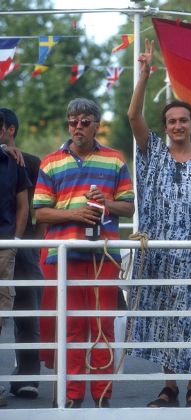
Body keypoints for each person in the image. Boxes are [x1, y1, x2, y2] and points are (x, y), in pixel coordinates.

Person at [127, 39, 191, 408]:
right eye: (171, 120)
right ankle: (169, 386)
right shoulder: (152, 152)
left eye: (183, 119)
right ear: (166, 126)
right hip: (158, 254)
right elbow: (133, 117)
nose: (177, 125)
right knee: (168, 318)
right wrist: (143, 75)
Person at [33, 97, 134, 408]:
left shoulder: (116, 160)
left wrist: (105, 202)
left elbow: (128, 207)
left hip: (103, 254)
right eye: (72, 122)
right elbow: (40, 213)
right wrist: (76, 215)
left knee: (103, 327)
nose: (77, 127)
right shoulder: (50, 161)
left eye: (84, 122)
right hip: (63, 255)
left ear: (96, 125)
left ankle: (102, 395)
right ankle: (73, 395)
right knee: (71, 327)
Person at [0, 108, 45, 400]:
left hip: (23, 246)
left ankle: (27, 377)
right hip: (7, 242)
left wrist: (33, 244)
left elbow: (37, 207)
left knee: (27, 312)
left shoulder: (29, 162)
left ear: (10, 129)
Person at [0, 112, 30, 406]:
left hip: (4, 246)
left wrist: (15, 241)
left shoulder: (14, 160)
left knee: (0, 314)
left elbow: (24, 203)